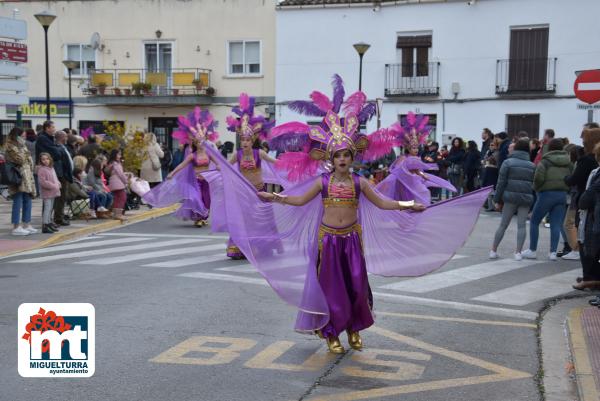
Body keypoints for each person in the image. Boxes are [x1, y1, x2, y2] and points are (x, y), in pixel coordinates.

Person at [224, 74, 492, 353]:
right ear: (331, 159)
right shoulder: (323, 182)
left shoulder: (359, 182)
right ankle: (331, 334)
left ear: (352, 158)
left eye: (346, 155)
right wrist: (274, 196)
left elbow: (383, 203)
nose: (342, 159)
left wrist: (409, 206)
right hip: (327, 241)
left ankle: (353, 330)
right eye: (337, 155)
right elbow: (300, 200)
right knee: (331, 290)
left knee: (356, 288)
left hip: (352, 240)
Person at [146, 106, 220, 227]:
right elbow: (182, 165)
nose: (201, 144)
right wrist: (172, 173)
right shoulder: (192, 155)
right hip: (196, 182)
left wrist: (219, 167)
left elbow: (218, 162)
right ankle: (199, 219)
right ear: (196, 143)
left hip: (207, 180)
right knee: (197, 199)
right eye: (199, 142)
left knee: (207, 200)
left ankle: (204, 217)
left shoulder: (208, 153)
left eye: (203, 141)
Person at [376, 113, 455, 205]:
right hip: (406, 183)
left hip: (412, 182)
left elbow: (416, 170)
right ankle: (410, 210)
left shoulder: (414, 158)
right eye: (414, 148)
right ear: (408, 149)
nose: (416, 150)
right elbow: (409, 170)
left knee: (418, 195)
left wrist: (421, 175)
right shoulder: (405, 158)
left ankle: (412, 210)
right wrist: (422, 175)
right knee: (419, 194)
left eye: (417, 148)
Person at [522, 138, 573, 260]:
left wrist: (536, 189)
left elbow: (538, 178)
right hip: (562, 195)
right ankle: (553, 253)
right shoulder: (569, 162)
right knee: (556, 224)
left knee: (534, 221)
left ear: (549, 148)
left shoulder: (545, 161)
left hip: (546, 194)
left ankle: (533, 250)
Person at [489, 139, 536, 260]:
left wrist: (497, 199)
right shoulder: (532, 165)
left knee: (503, 225)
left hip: (510, 198)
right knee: (521, 226)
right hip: (525, 198)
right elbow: (534, 185)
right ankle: (518, 252)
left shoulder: (507, 162)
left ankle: (493, 250)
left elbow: (501, 183)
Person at [564, 128, 600, 262]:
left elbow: (575, 179)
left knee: (575, 225)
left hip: (585, 199)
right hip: (590, 199)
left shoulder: (586, 160)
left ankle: (577, 250)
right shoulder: (590, 160)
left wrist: (566, 178)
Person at [572, 143, 600, 291]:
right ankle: (591, 278)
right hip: (591, 213)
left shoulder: (591, 167)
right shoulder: (595, 169)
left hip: (593, 216)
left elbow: (587, 196)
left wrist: (583, 200)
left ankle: (590, 278)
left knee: (589, 247)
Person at [5, 127, 37, 236]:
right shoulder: (11, 146)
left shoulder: (22, 145)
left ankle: (26, 224)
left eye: (25, 136)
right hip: (18, 176)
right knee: (17, 201)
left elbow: (29, 160)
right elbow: (21, 159)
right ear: (16, 136)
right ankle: (16, 226)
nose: (24, 138)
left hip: (27, 176)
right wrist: (25, 152)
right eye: (22, 136)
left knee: (27, 199)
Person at [53, 131, 74, 226]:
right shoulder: (58, 148)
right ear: (61, 137)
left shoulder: (63, 147)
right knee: (60, 198)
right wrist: (63, 175)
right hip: (62, 176)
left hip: (65, 175)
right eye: (65, 136)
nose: (67, 138)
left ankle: (60, 216)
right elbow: (61, 164)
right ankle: (58, 218)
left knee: (63, 198)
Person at [37, 153, 61, 233]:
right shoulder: (41, 169)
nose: (45, 161)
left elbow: (55, 178)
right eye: (43, 159)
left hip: (53, 191)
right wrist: (54, 185)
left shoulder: (51, 168)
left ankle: (49, 222)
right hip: (47, 192)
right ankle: (45, 225)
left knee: (50, 208)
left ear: (50, 159)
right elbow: (43, 182)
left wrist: (58, 183)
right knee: (47, 208)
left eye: (47, 159)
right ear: (40, 161)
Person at [106, 149, 130, 221]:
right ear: (115, 155)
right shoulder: (116, 164)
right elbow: (120, 174)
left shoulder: (112, 163)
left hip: (113, 183)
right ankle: (118, 214)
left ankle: (116, 213)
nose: (120, 156)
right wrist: (126, 181)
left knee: (117, 198)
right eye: (119, 154)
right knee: (122, 197)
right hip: (118, 183)